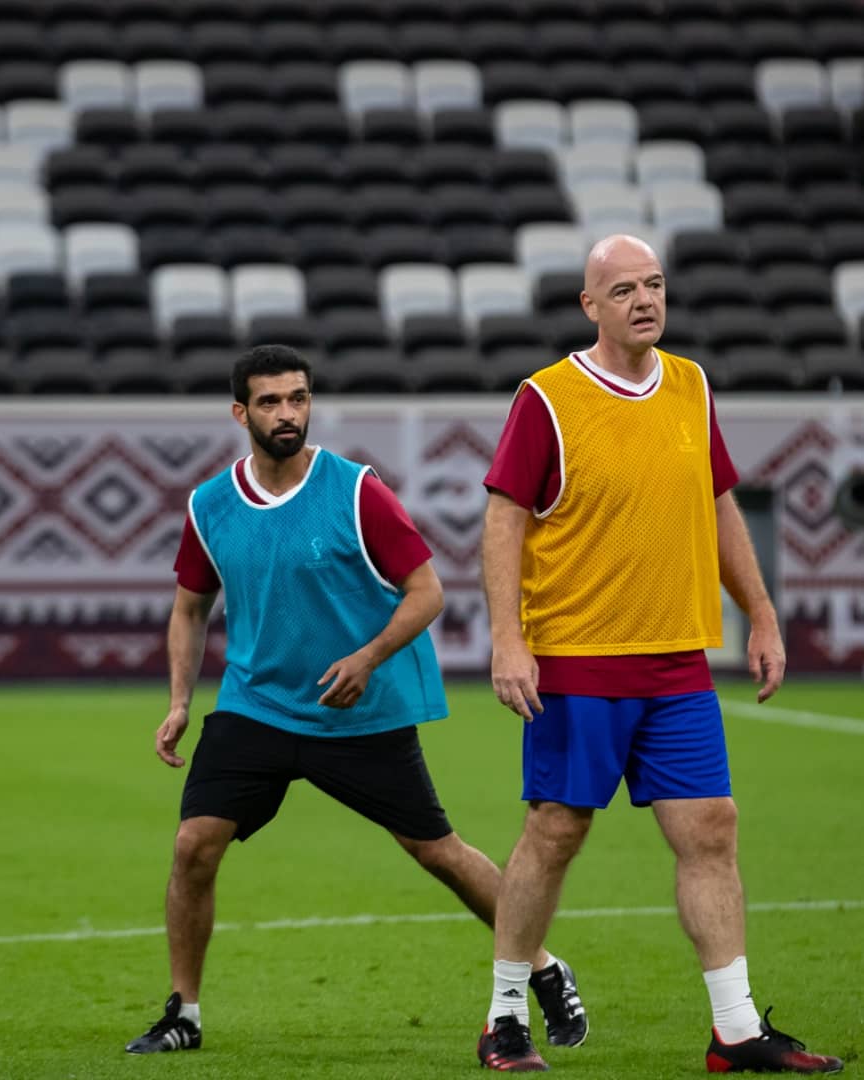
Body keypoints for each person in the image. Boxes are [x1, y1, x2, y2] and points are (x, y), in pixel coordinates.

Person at [125, 344, 588, 1056]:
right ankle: (183, 1012)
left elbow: (427, 592)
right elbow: (189, 609)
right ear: (240, 413)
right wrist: (180, 702)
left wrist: (367, 658)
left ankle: (544, 967)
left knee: (437, 853)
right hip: (256, 706)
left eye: (299, 398)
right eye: (271, 401)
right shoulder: (209, 505)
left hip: (358, 713)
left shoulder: (355, 491)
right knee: (193, 847)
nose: (288, 413)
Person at [475, 235, 843, 1074]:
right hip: (576, 658)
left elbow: (717, 503)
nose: (644, 300)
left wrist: (760, 614)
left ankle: (735, 1031)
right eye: (623, 289)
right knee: (555, 831)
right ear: (589, 306)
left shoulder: (690, 384)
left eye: (654, 284)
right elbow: (503, 519)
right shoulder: (546, 398)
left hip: (677, 661)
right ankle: (503, 1017)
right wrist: (507, 639)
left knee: (711, 829)